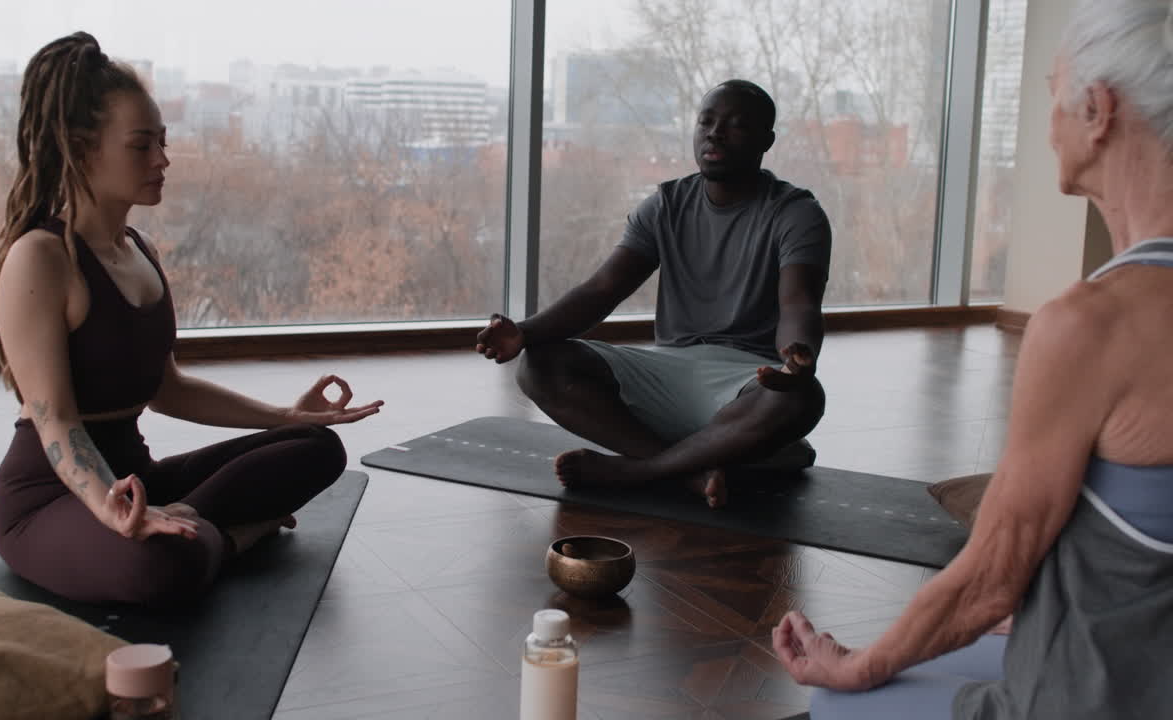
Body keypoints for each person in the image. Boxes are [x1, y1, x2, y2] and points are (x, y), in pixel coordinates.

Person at [772, 2, 1173, 717]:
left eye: (1051, 94)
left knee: (831, 705)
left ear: (1097, 110)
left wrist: (861, 668)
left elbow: (992, 577)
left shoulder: (1088, 327)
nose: (1045, 124)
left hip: (1089, 699)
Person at [0, 32, 383, 608]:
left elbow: (167, 388)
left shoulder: (138, 249)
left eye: (163, 143)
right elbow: (56, 423)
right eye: (142, 145)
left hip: (139, 480)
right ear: (81, 148)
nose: (162, 160)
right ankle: (233, 535)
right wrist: (114, 509)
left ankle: (201, 533)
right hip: (54, 498)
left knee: (316, 446)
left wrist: (285, 415)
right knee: (156, 567)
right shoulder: (42, 258)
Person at [476, 79, 831, 509]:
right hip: (668, 370)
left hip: (747, 382)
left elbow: (799, 302)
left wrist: (796, 356)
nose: (714, 133)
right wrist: (524, 333)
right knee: (539, 365)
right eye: (706, 121)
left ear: (766, 141)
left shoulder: (796, 213)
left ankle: (638, 470)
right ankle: (692, 468)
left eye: (735, 125)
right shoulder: (666, 204)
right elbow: (601, 290)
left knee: (804, 398)